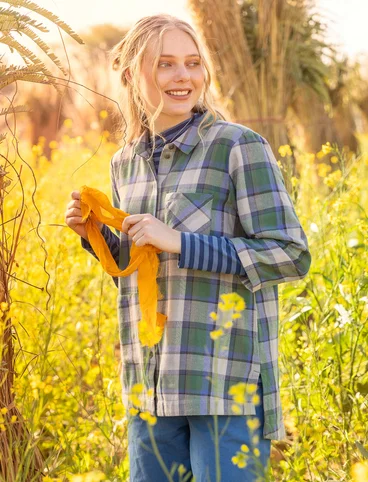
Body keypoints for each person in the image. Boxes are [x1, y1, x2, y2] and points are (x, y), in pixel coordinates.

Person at [65, 13, 312, 482]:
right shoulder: (126, 162)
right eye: (165, 65)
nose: (184, 76)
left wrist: (178, 241)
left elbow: (290, 254)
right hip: (151, 380)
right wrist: (93, 238)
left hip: (224, 381)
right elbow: (140, 266)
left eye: (193, 63)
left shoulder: (239, 146)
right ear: (133, 75)